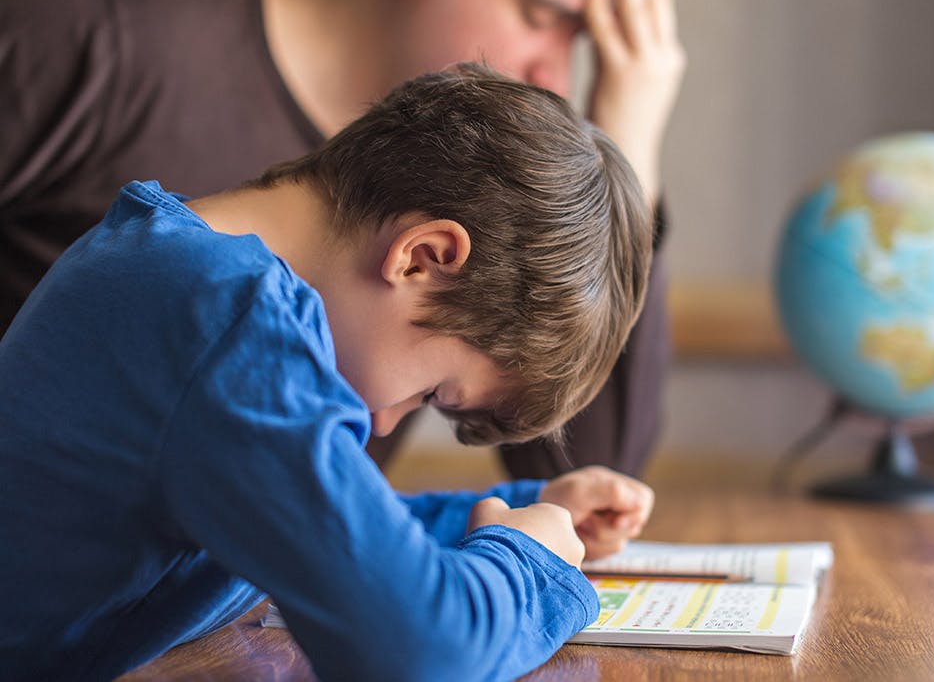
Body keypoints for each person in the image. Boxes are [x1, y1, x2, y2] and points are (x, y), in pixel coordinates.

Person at [0, 66, 655, 680]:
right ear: (423, 258)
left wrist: (523, 512)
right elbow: (421, 653)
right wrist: (529, 564)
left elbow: (327, 524)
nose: (384, 420)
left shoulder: (176, 269)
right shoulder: (228, 322)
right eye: (431, 392)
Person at [0, 0, 685, 479]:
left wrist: (626, 153)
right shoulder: (79, 37)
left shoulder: (473, 195)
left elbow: (584, 478)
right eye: (541, 16)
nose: (556, 76)